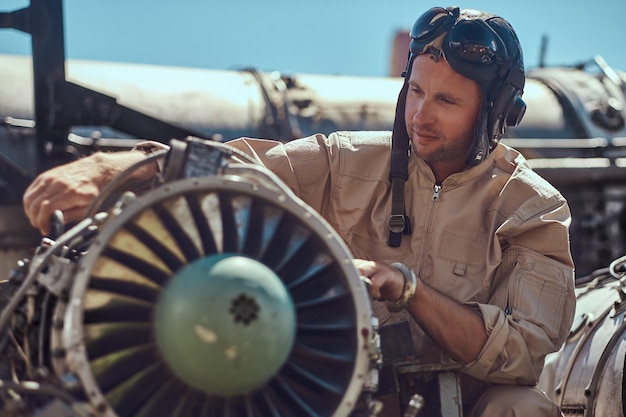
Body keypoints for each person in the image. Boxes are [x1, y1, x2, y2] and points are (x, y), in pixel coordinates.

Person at [23, 6, 575, 417]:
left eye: (447, 102)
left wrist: (407, 290)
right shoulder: (345, 158)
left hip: (461, 403)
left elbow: (522, 354)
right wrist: (115, 167)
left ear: (497, 112)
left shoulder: (532, 209)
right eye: (415, 92)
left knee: (521, 406)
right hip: (328, 389)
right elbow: (232, 168)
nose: (420, 116)